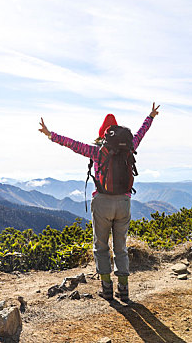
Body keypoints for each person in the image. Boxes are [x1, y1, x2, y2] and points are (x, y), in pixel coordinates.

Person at [38, 102, 160, 302]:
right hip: (124, 202)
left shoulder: (96, 151)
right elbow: (140, 133)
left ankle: (106, 288)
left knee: (101, 246)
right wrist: (151, 116)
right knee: (121, 247)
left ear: (102, 133)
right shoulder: (129, 146)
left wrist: (51, 135)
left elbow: (72, 144)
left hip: (102, 202)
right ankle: (124, 290)